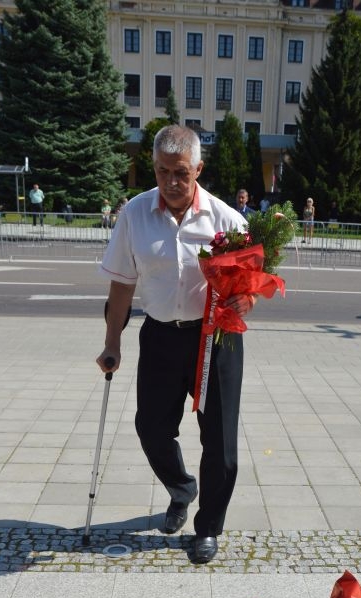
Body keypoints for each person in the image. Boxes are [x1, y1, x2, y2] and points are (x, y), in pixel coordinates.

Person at [96, 125, 253, 565]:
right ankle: (182, 488)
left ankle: (207, 528)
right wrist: (112, 344)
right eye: (163, 171)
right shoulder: (135, 215)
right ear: (154, 168)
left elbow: (249, 284)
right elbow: (122, 285)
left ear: (198, 169)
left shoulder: (227, 220)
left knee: (220, 442)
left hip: (216, 339)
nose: (172, 182)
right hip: (162, 336)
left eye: (181, 172)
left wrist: (247, 297)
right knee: (150, 428)